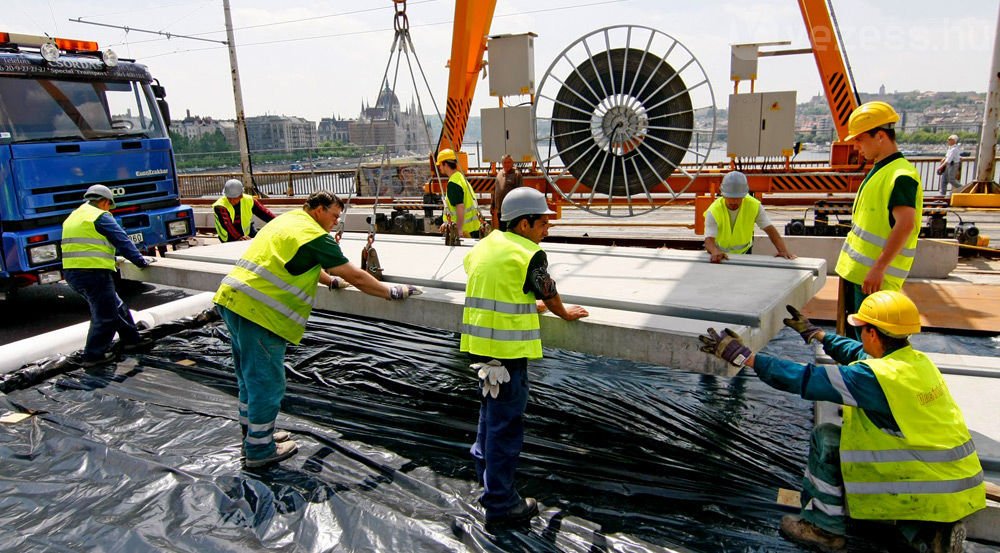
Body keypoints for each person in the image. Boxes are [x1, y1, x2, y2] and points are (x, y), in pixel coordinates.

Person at [699, 291, 985, 553]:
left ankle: (823, 529)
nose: (860, 335)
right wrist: (817, 335)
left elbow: (804, 378)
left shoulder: (871, 379)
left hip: (919, 478)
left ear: (872, 333)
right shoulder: (915, 363)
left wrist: (747, 358)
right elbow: (857, 353)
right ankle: (928, 535)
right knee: (901, 486)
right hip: (957, 481)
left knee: (826, 439)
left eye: (861, 329)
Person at [212, 191, 422, 468]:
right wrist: (391, 291)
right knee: (266, 383)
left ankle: (253, 434)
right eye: (334, 216)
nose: (335, 222)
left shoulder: (286, 222)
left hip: (232, 300)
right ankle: (260, 450)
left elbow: (296, 260)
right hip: (260, 313)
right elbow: (355, 275)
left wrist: (327, 280)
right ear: (319, 210)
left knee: (248, 377)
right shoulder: (314, 235)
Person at [461, 186, 589, 526]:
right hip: (508, 354)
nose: (546, 229)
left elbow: (495, 282)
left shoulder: (484, 245)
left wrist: (523, 303)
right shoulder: (530, 253)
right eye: (542, 222)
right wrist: (564, 313)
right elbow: (549, 291)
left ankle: (486, 481)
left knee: (489, 419)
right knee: (505, 429)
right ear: (523, 224)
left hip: (480, 349)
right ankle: (502, 505)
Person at [837, 101, 923, 340]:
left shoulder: (901, 175)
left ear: (881, 136)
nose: (856, 146)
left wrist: (879, 268)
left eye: (860, 139)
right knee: (856, 340)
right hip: (861, 275)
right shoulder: (882, 170)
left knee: (871, 343)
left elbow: (905, 224)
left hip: (875, 280)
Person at [61, 184, 156, 367]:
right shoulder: (100, 216)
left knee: (116, 306)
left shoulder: (75, 215)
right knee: (106, 315)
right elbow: (122, 240)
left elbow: (87, 246)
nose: (109, 209)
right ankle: (93, 355)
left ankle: (132, 340)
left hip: (74, 272)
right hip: (93, 273)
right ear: (105, 201)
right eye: (109, 205)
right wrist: (140, 261)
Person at [703, 171, 796, 263]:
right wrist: (715, 251)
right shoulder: (714, 210)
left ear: (744, 195)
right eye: (730, 197)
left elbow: (770, 229)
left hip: (745, 253)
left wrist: (783, 251)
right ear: (722, 194)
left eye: (738, 198)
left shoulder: (754, 206)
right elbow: (709, 240)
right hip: (721, 254)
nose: (734, 202)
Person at [436, 148, 482, 239]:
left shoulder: (453, 183)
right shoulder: (460, 177)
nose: (439, 167)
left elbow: (460, 207)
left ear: (445, 164)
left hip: (463, 232)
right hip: (472, 229)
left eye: (440, 165)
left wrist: (459, 231)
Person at [493, 154, 523, 226]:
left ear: (512, 163)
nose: (506, 164)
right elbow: (495, 190)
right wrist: (492, 205)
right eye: (504, 162)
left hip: (511, 210)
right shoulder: (499, 173)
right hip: (500, 209)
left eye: (509, 162)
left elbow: (520, 192)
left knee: (510, 229)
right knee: (502, 229)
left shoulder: (517, 174)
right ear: (502, 163)